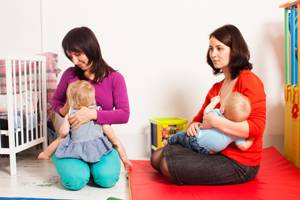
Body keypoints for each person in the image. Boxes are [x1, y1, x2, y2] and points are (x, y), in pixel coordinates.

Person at [151, 24, 266, 185]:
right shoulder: (216, 88)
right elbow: (198, 119)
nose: (213, 54)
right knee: (156, 157)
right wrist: (193, 125)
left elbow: (256, 127)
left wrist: (216, 122)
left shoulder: (249, 80)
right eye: (211, 49)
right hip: (212, 152)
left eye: (219, 48)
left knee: (165, 164)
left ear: (234, 49)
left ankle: (176, 161)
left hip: (240, 164)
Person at [50, 26, 130, 190]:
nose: (74, 61)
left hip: (99, 142)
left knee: (106, 179)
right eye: (70, 56)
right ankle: (75, 167)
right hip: (72, 143)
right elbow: (55, 101)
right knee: (75, 181)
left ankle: (94, 168)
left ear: (91, 48)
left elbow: (124, 114)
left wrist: (93, 114)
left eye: (78, 54)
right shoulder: (69, 75)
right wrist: (62, 110)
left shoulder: (115, 78)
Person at [38, 80, 133, 171]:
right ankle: (109, 162)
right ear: (92, 99)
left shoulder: (71, 114)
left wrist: (66, 128)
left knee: (60, 139)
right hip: (97, 150)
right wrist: (124, 158)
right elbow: (114, 140)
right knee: (114, 139)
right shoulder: (98, 112)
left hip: (77, 149)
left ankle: (46, 154)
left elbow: (63, 132)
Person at [169, 92, 254, 154]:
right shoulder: (237, 133)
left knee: (178, 137)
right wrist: (251, 139)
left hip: (194, 138)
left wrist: (214, 102)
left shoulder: (218, 113)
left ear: (223, 109)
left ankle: (170, 140)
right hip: (206, 151)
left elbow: (206, 113)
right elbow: (243, 147)